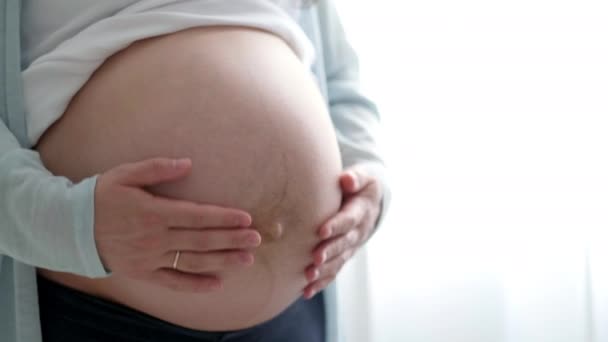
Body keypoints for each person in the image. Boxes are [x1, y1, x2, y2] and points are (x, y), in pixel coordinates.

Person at [0, 1, 390, 341]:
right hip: (102, 313)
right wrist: (71, 224)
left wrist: (367, 177)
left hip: (297, 307)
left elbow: (339, 77)